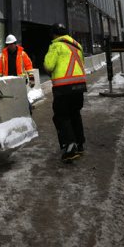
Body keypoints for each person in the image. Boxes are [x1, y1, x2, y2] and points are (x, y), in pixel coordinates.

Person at [44, 23, 87, 162]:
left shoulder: (56, 46)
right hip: (79, 86)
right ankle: (79, 144)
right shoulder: (77, 46)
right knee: (75, 113)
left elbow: (48, 66)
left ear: (55, 34)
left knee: (61, 116)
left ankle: (69, 148)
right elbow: (82, 63)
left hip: (63, 88)